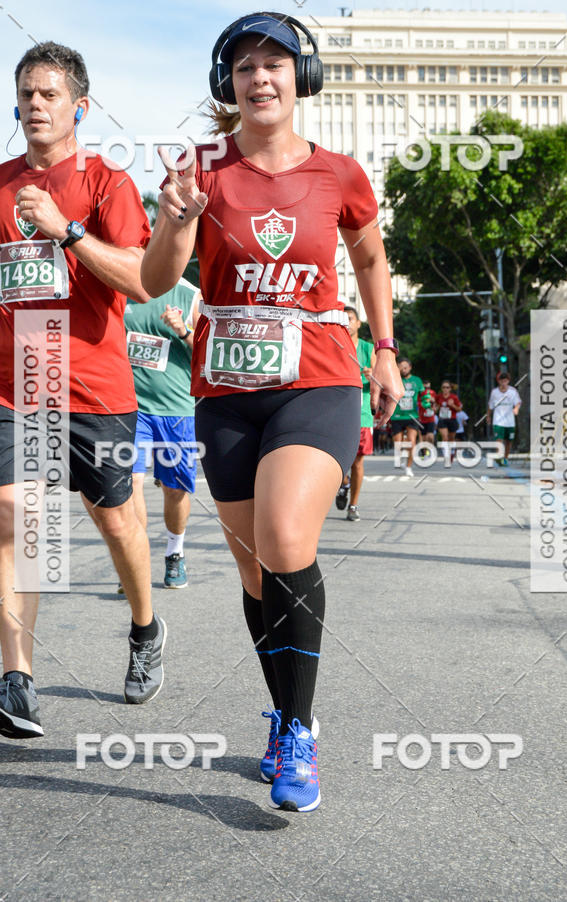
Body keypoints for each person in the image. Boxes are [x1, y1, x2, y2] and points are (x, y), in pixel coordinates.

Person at [140, 12, 402, 812]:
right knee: (257, 568)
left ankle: (299, 729)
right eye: (245, 66)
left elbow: (367, 254)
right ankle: (285, 715)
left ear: (301, 78)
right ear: (230, 86)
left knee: (289, 538)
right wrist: (177, 219)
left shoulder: (340, 175)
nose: (260, 77)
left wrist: (384, 347)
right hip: (224, 394)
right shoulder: (203, 170)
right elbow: (156, 280)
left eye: (275, 64)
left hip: (318, 381)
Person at [0, 42, 166, 740]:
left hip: (96, 388)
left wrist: (66, 232)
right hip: (17, 390)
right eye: (25, 94)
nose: (35, 105)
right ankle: (17, 680)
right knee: (16, 518)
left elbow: (140, 278)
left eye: (49, 94)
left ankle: (146, 626)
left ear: (79, 107)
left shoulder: (108, 184)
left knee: (117, 521)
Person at [123, 278, 201, 588]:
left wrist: (183, 330)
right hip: (131, 407)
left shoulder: (189, 294)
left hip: (176, 410)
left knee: (175, 489)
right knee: (131, 481)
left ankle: (175, 552)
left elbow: (209, 352)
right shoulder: (122, 287)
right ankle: (136, 559)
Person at [335, 306, 375, 522]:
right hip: (337, 413)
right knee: (337, 460)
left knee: (357, 462)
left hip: (362, 414)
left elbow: (379, 381)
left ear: (359, 323)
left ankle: (354, 504)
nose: (347, 322)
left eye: (350, 319)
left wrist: (372, 375)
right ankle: (343, 484)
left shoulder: (369, 350)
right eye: (343, 319)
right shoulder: (334, 346)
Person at [390, 358, 423, 476]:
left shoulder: (417, 381)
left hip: (412, 416)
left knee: (412, 442)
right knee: (398, 444)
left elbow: (424, 395)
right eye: (400, 367)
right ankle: (403, 457)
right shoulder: (393, 379)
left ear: (410, 367)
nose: (403, 369)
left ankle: (409, 467)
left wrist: (427, 403)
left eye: (405, 367)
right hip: (397, 416)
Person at [487, 372, 521, 465]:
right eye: (502, 381)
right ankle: (500, 456)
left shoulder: (513, 391)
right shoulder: (494, 392)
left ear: (508, 381)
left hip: (510, 421)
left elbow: (518, 402)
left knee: (509, 441)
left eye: (505, 381)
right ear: (499, 382)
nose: (503, 383)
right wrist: (488, 416)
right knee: (499, 439)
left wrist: (516, 409)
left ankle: (505, 458)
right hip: (498, 420)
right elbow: (490, 405)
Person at [435, 381, 462, 463]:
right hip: (442, 419)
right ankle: (446, 454)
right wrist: (435, 408)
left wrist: (452, 405)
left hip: (452, 419)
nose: (445, 389)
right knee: (445, 437)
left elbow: (459, 409)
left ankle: (452, 452)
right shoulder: (438, 396)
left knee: (451, 438)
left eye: (447, 387)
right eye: (443, 387)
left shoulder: (454, 397)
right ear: (441, 388)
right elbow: (436, 405)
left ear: (450, 389)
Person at [417, 379, 437, 453]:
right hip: (421, 419)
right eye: (425, 388)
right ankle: (424, 452)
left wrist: (433, 402)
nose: (427, 390)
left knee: (430, 437)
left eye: (428, 388)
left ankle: (429, 449)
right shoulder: (419, 394)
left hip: (431, 419)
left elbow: (436, 406)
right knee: (423, 438)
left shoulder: (433, 393)